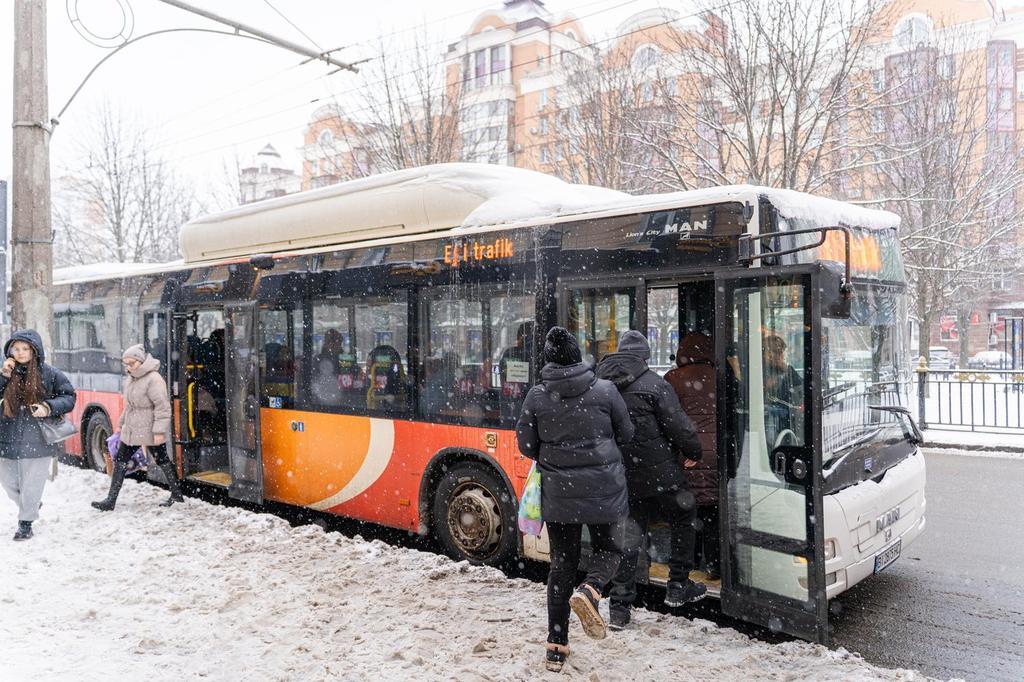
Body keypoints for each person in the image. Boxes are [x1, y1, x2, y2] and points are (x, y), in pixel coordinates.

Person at [516, 326, 634, 672]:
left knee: (561, 565)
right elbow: (626, 433)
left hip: (560, 495)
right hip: (605, 491)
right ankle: (592, 589)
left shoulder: (537, 396)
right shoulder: (606, 390)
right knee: (610, 550)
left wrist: (555, 456)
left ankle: (556, 646)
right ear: (578, 355)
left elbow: (525, 445)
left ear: (550, 360)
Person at [595, 330, 705, 631]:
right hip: (660, 475)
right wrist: (694, 450)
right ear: (644, 357)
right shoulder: (656, 385)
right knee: (684, 516)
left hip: (621, 476)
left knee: (629, 537)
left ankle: (619, 607)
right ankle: (677, 585)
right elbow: (679, 426)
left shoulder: (600, 385)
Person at [0, 329, 77, 540]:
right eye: (16, 349)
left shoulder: (49, 373)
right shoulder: (6, 372)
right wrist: (4, 376)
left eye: (25, 349)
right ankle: (32, 504)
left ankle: (25, 524)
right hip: (7, 435)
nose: (21, 353)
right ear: (10, 351)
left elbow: (69, 397)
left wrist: (48, 407)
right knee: (7, 483)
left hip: (38, 438)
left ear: (34, 350)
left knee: (32, 484)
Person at [92, 344, 182, 510]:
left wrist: (159, 431)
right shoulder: (132, 378)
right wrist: (120, 425)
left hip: (148, 428)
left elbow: (162, 407)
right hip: (132, 428)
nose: (128, 367)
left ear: (141, 361)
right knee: (120, 460)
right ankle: (110, 500)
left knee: (162, 459)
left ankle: (177, 494)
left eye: (131, 363)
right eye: (126, 364)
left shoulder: (153, 379)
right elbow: (129, 406)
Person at [665, 332, 720, 579]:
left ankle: (691, 563)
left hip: (687, 455)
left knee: (688, 513)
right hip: (716, 454)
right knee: (712, 513)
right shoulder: (719, 376)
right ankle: (716, 565)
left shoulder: (673, 379)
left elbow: (666, 419)